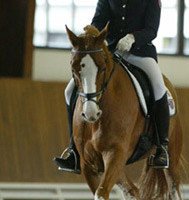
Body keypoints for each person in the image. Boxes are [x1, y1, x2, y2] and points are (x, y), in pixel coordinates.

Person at [54, 0, 170, 173]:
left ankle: (162, 146)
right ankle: (74, 150)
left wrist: (133, 38)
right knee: (69, 90)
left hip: (140, 52)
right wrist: (92, 35)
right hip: (110, 53)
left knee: (158, 87)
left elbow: (151, 30)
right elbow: (98, 21)